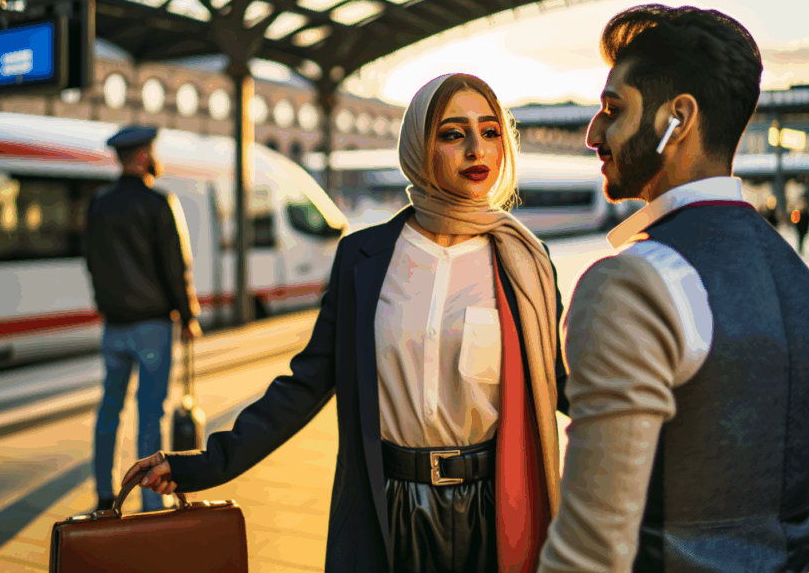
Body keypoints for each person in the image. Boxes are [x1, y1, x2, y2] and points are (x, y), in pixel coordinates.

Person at [124, 74, 571, 573]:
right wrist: (205, 464)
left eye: (490, 133)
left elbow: (565, 383)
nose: (475, 149)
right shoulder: (365, 257)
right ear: (420, 147)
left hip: (496, 511)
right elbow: (306, 384)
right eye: (452, 133)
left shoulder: (524, 262)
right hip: (385, 510)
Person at [538, 5, 809, 573]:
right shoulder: (803, 284)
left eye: (613, 109)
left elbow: (589, 553)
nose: (592, 134)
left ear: (677, 118)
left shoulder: (633, 283)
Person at [84, 125, 201, 514]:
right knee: (151, 413)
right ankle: (152, 501)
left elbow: (91, 262)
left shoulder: (99, 204)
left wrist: (107, 306)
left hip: (114, 326)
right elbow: (176, 266)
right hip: (152, 325)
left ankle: (104, 491)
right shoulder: (158, 202)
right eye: (151, 150)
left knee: (110, 408)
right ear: (142, 157)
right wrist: (188, 316)